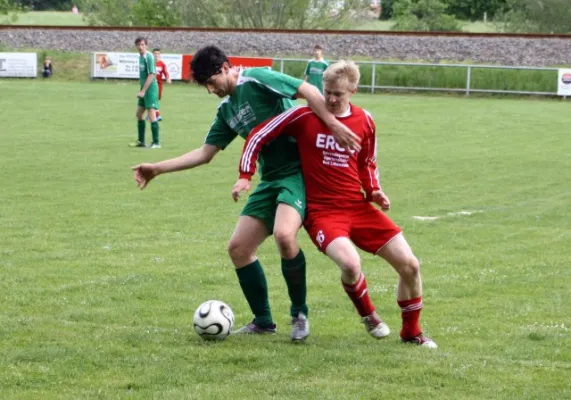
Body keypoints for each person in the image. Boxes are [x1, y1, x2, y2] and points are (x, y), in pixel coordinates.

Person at [132, 45, 360, 342]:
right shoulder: (226, 110)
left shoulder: (257, 78)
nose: (210, 90)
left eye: (211, 82)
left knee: (284, 235)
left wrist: (333, 124)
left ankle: (299, 314)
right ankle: (263, 321)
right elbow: (205, 153)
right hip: (270, 179)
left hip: (298, 172)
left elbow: (307, 89)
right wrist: (157, 169)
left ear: (225, 68)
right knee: (238, 249)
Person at [233, 60, 437, 348]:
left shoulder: (365, 120)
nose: (329, 99)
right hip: (323, 213)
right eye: (326, 91)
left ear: (353, 90)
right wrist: (245, 175)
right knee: (351, 264)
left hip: (357, 206)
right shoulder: (304, 116)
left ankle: (411, 333)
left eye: (337, 94)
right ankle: (368, 315)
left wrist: (375, 190)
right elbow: (257, 135)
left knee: (410, 265)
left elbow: (367, 162)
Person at [130, 37, 160, 149]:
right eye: (138, 44)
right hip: (144, 89)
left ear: (146, 46)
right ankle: (141, 141)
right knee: (139, 114)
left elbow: (151, 75)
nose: (140, 47)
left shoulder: (149, 57)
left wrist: (143, 91)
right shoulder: (141, 57)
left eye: (142, 44)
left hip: (150, 89)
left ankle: (156, 143)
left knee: (152, 115)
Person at [153, 48, 171, 121]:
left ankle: (151, 114)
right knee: (154, 99)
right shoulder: (151, 63)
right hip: (151, 84)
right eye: (155, 53)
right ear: (153, 54)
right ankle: (157, 115)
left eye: (158, 54)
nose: (156, 55)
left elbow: (165, 72)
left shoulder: (162, 64)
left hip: (159, 84)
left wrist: (167, 78)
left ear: (160, 55)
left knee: (157, 98)